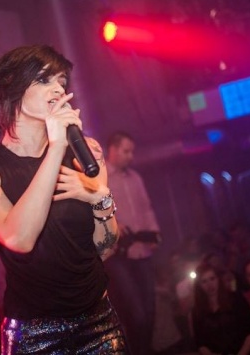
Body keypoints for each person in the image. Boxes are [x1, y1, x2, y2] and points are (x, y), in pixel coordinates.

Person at [0, 44, 127, 354]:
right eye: (45, 79)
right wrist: (56, 147)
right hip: (37, 337)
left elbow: (105, 249)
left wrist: (100, 198)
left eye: (62, 81)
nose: (59, 89)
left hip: (100, 322)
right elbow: (19, 238)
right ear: (13, 87)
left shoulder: (86, 152)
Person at [102, 131, 161, 355]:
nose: (131, 156)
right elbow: (94, 210)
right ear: (113, 150)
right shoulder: (101, 177)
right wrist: (114, 224)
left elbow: (146, 208)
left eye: (132, 151)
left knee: (150, 309)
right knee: (135, 313)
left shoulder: (135, 177)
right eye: (126, 151)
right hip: (118, 254)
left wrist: (154, 232)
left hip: (142, 249)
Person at [191, 262, 250, 355]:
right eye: (204, 281)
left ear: (218, 279)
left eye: (212, 279)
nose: (210, 285)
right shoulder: (197, 310)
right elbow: (200, 342)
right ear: (199, 285)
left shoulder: (236, 299)